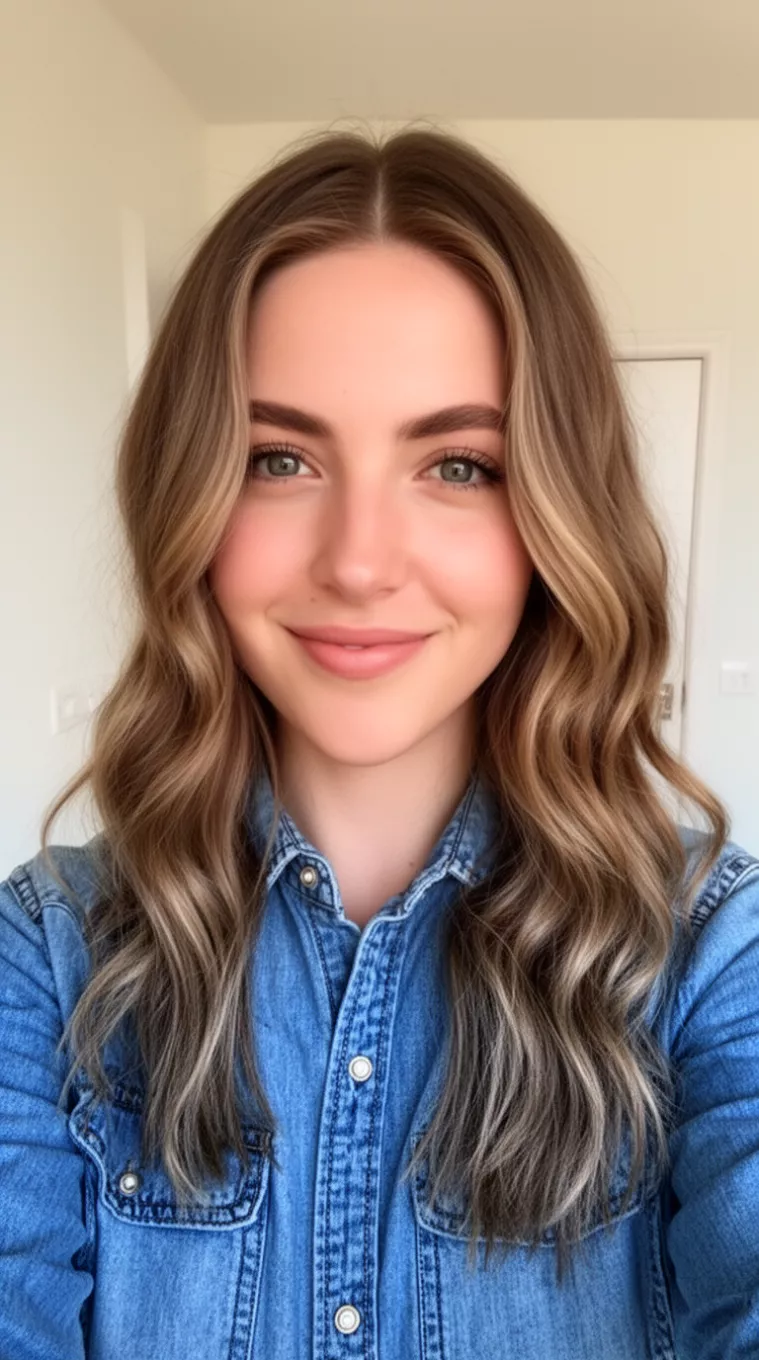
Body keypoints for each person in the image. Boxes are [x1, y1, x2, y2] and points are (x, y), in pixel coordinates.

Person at [1, 123, 757, 1360]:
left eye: (457, 465)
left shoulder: (712, 956)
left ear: (557, 516)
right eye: (279, 458)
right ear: (188, 498)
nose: (358, 561)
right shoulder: (48, 958)